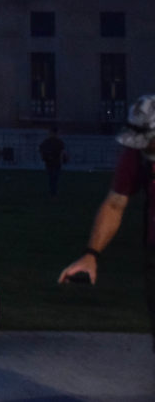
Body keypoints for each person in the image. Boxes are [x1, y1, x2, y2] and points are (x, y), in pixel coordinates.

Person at [58, 94, 155, 352]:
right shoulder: (138, 154)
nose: (143, 147)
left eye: (148, 141)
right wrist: (91, 255)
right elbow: (115, 203)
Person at [38, 127, 68, 196]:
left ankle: (52, 191)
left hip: (51, 162)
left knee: (52, 178)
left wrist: (44, 156)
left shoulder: (49, 141)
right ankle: (53, 191)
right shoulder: (57, 142)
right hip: (54, 162)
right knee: (54, 178)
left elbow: (41, 149)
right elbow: (62, 152)